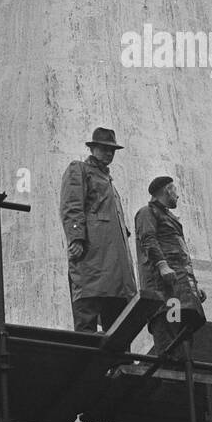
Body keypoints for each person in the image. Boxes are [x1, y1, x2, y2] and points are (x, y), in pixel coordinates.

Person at [59, 127, 136, 333]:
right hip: (93, 256)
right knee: (87, 313)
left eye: (112, 150)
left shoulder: (109, 182)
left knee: (118, 325)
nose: (109, 153)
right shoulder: (79, 169)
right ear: (93, 149)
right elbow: (71, 204)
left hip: (114, 266)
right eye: (104, 148)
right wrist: (76, 237)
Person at [134, 176, 207, 363]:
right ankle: (173, 371)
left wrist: (193, 285)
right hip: (166, 290)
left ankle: (181, 368)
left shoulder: (168, 217)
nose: (178, 195)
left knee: (182, 335)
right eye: (175, 190)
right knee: (169, 332)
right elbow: (148, 239)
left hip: (179, 288)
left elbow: (181, 254)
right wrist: (162, 265)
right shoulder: (147, 212)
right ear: (167, 190)